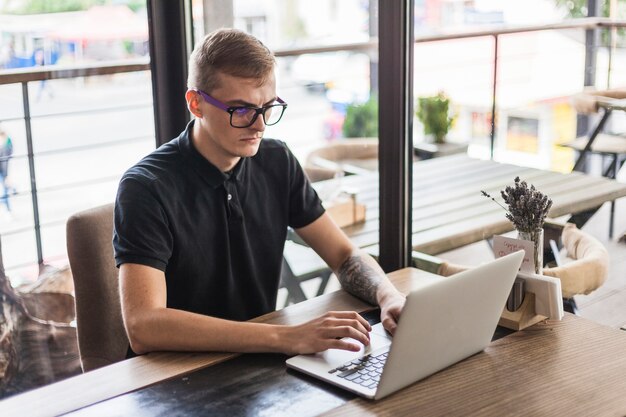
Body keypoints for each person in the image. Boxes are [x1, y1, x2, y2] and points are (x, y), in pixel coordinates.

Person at [113, 29, 405, 358]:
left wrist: (387, 294)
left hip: (257, 359)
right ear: (196, 103)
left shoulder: (277, 160)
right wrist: (285, 337)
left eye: (268, 107)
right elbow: (144, 326)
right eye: (241, 110)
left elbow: (344, 256)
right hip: (173, 373)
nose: (260, 126)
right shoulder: (146, 187)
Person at [0, 127, 14, 212]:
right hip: (3, 171)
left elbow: (5, 162)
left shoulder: (5, 148)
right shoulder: (6, 147)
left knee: (4, 189)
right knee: (4, 189)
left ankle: (7, 209)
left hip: (3, 171)